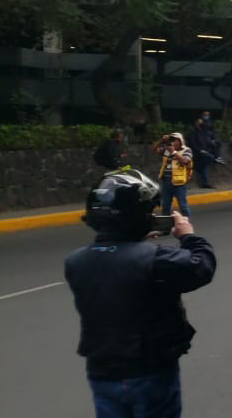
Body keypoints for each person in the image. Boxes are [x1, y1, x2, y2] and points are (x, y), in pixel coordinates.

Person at [65, 170, 216, 418]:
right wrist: (188, 236)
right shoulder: (155, 259)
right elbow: (201, 266)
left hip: (101, 370)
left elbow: (116, 265)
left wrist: (134, 238)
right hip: (148, 369)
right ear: (137, 216)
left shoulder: (75, 262)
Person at [153, 132, 193, 217]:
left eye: (175, 140)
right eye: (171, 140)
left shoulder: (186, 150)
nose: (173, 142)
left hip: (180, 182)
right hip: (166, 181)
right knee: (165, 205)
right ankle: (166, 223)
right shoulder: (166, 150)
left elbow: (185, 161)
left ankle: (186, 223)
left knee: (182, 205)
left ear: (180, 141)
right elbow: (154, 150)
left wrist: (174, 152)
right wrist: (161, 141)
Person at [185, 117, 216, 189]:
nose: (201, 123)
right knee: (209, 158)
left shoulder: (202, 131)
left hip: (203, 151)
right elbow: (192, 143)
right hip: (195, 152)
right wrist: (199, 150)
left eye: (201, 122)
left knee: (204, 165)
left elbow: (205, 141)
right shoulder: (192, 131)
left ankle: (205, 182)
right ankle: (198, 167)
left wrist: (211, 144)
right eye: (199, 122)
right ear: (195, 123)